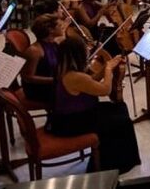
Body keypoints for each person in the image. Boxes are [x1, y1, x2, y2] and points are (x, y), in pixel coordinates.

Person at [47, 36, 140, 174]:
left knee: (118, 109)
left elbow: (90, 81)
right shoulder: (74, 76)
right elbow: (105, 90)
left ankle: (115, 159)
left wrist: (108, 63)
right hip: (72, 122)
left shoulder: (65, 69)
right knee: (121, 120)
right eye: (85, 49)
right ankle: (112, 164)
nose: (88, 52)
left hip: (72, 116)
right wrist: (108, 69)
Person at [21, 13, 64, 105]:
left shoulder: (54, 43)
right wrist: (55, 80)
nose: (62, 27)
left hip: (51, 83)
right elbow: (28, 77)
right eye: (59, 25)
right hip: (38, 90)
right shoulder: (34, 51)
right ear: (50, 30)